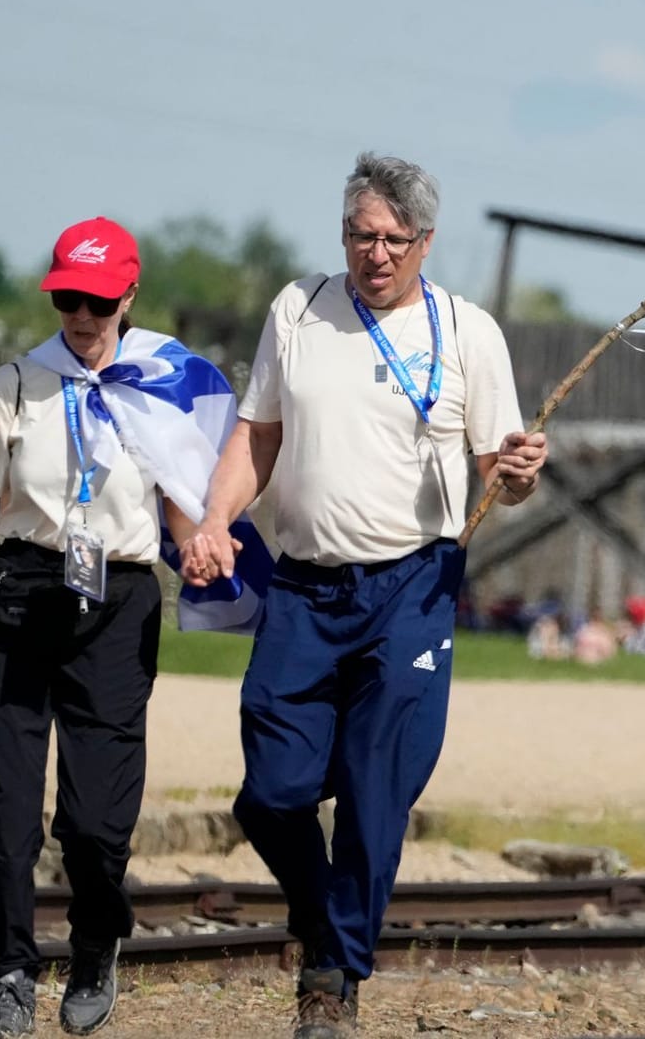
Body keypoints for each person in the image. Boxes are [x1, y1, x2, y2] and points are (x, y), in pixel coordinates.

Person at [179, 153, 544, 1039]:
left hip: (413, 586)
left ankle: (332, 979)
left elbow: (500, 471)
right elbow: (256, 435)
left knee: (377, 797)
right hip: (303, 587)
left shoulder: (467, 332)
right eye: (358, 235)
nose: (373, 254)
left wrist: (521, 473)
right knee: (272, 791)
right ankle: (321, 917)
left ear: (424, 242)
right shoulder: (298, 309)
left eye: (390, 239)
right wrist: (216, 518)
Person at [0, 217, 227, 1037]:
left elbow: (185, 510)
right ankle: (9, 975)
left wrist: (199, 554)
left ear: (129, 296)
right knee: (7, 803)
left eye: (98, 301)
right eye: (67, 299)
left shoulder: (157, 383)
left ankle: (94, 942)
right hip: (22, 593)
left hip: (118, 601)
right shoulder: (15, 383)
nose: (81, 315)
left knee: (93, 820)